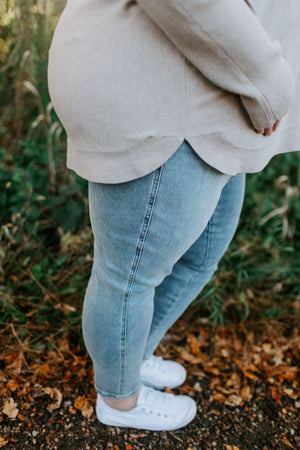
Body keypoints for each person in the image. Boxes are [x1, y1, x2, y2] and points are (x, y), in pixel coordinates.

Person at [47, 0, 300, 431]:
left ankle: (132, 355)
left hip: (210, 93)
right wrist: (265, 83)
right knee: (128, 274)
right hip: (164, 94)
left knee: (202, 253)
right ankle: (119, 399)